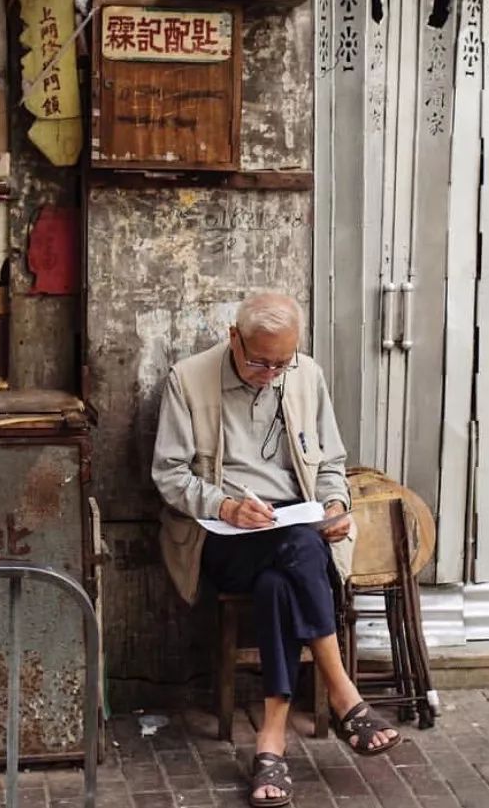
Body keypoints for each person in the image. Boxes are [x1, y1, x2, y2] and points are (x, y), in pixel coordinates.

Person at [152, 292, 399, 808]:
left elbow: (331, 460)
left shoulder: (305, 375)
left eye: (282, 362)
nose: (271, 372)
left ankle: (271, 742)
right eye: (259, 361)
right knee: (296, 550)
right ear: (233, 338)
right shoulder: (188, 380)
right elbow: (169, 476)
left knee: (281, 576)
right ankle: (343, 692)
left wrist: (333, 503)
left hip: (293, 531)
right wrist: (224, 506)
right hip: (222, 538)